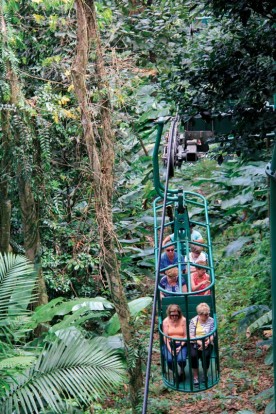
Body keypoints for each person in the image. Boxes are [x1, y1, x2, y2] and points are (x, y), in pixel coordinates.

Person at [189, 303, 214, 386]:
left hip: (207, 342)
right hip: (195, 342)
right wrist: (200, 343)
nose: (207, 316)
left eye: (208, 313)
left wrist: (208, 342)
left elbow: (212, 333)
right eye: (205, 314)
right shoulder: (194, 321)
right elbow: (191, 335)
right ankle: (195, 377)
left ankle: (205, 374)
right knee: (193, 355)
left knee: (206, 355)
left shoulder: (211, 320)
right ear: (200, 314)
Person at [162, 304, 187, 380]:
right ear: (169, 314)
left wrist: (180, 347)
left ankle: (181, 371)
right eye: (172, 315)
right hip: (170, 343)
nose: (174, 317)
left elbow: (186, 336)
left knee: (181, 359)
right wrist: (171, 350)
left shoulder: (183, 320)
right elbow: (165, 337)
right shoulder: (166, 321)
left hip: (181, 343)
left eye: (176, 315)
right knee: (169, 360)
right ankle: (175, 372)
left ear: (179, 314)